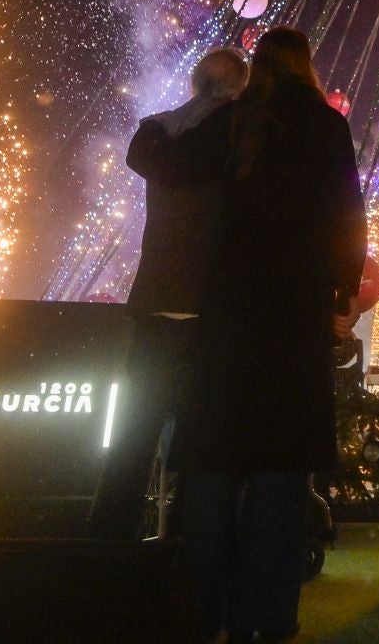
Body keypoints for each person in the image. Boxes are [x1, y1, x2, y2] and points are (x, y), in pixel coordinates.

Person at [132, 27, 365, 642]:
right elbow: (348, 216)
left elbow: (170, 165)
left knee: (212, 461)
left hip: (230, 313)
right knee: (283, 472)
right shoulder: (327, 126)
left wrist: (159, 123)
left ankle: (204, 608)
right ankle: (269, 615)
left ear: (258, 69)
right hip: (295, 318)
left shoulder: (237, 123)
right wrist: (340, 300)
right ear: (306, 67)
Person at [89, 48, 248, 539]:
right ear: (239, 87)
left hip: (158, 294)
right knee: (202, 434)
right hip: (211, 303)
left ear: (196, 81)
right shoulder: (240, 134)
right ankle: (189, 539)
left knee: (136, 427)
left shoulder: (156, 133)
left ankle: (108, 534)